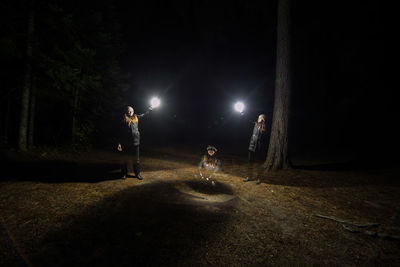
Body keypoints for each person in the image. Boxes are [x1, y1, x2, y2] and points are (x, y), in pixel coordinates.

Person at [117, 105, 151, 180]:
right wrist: (119, 143)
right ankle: (124, 174)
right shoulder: (123, 120)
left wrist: (149, 110)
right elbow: (120, 132)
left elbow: (144, 115)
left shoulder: (136, 117)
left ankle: (137, 174)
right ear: (126, 112)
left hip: (135, 143)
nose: (129, 112)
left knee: (136, 160)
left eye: (131, 111)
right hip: (126, 143)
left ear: (133, 111)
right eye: (128, 111)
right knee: (124, 159)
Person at [243, 114, 267, 184]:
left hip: (259, 147)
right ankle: (248, 176)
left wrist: (261, 125)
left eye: (260, 118)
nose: (259, 118)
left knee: (258, 163)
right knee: (250, 162)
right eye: (259, 117)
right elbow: (249, 121)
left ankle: (259, 178)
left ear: (263, 119)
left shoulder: (264, 126)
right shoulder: (255, 124)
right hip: (251, 145)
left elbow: (263, 133)